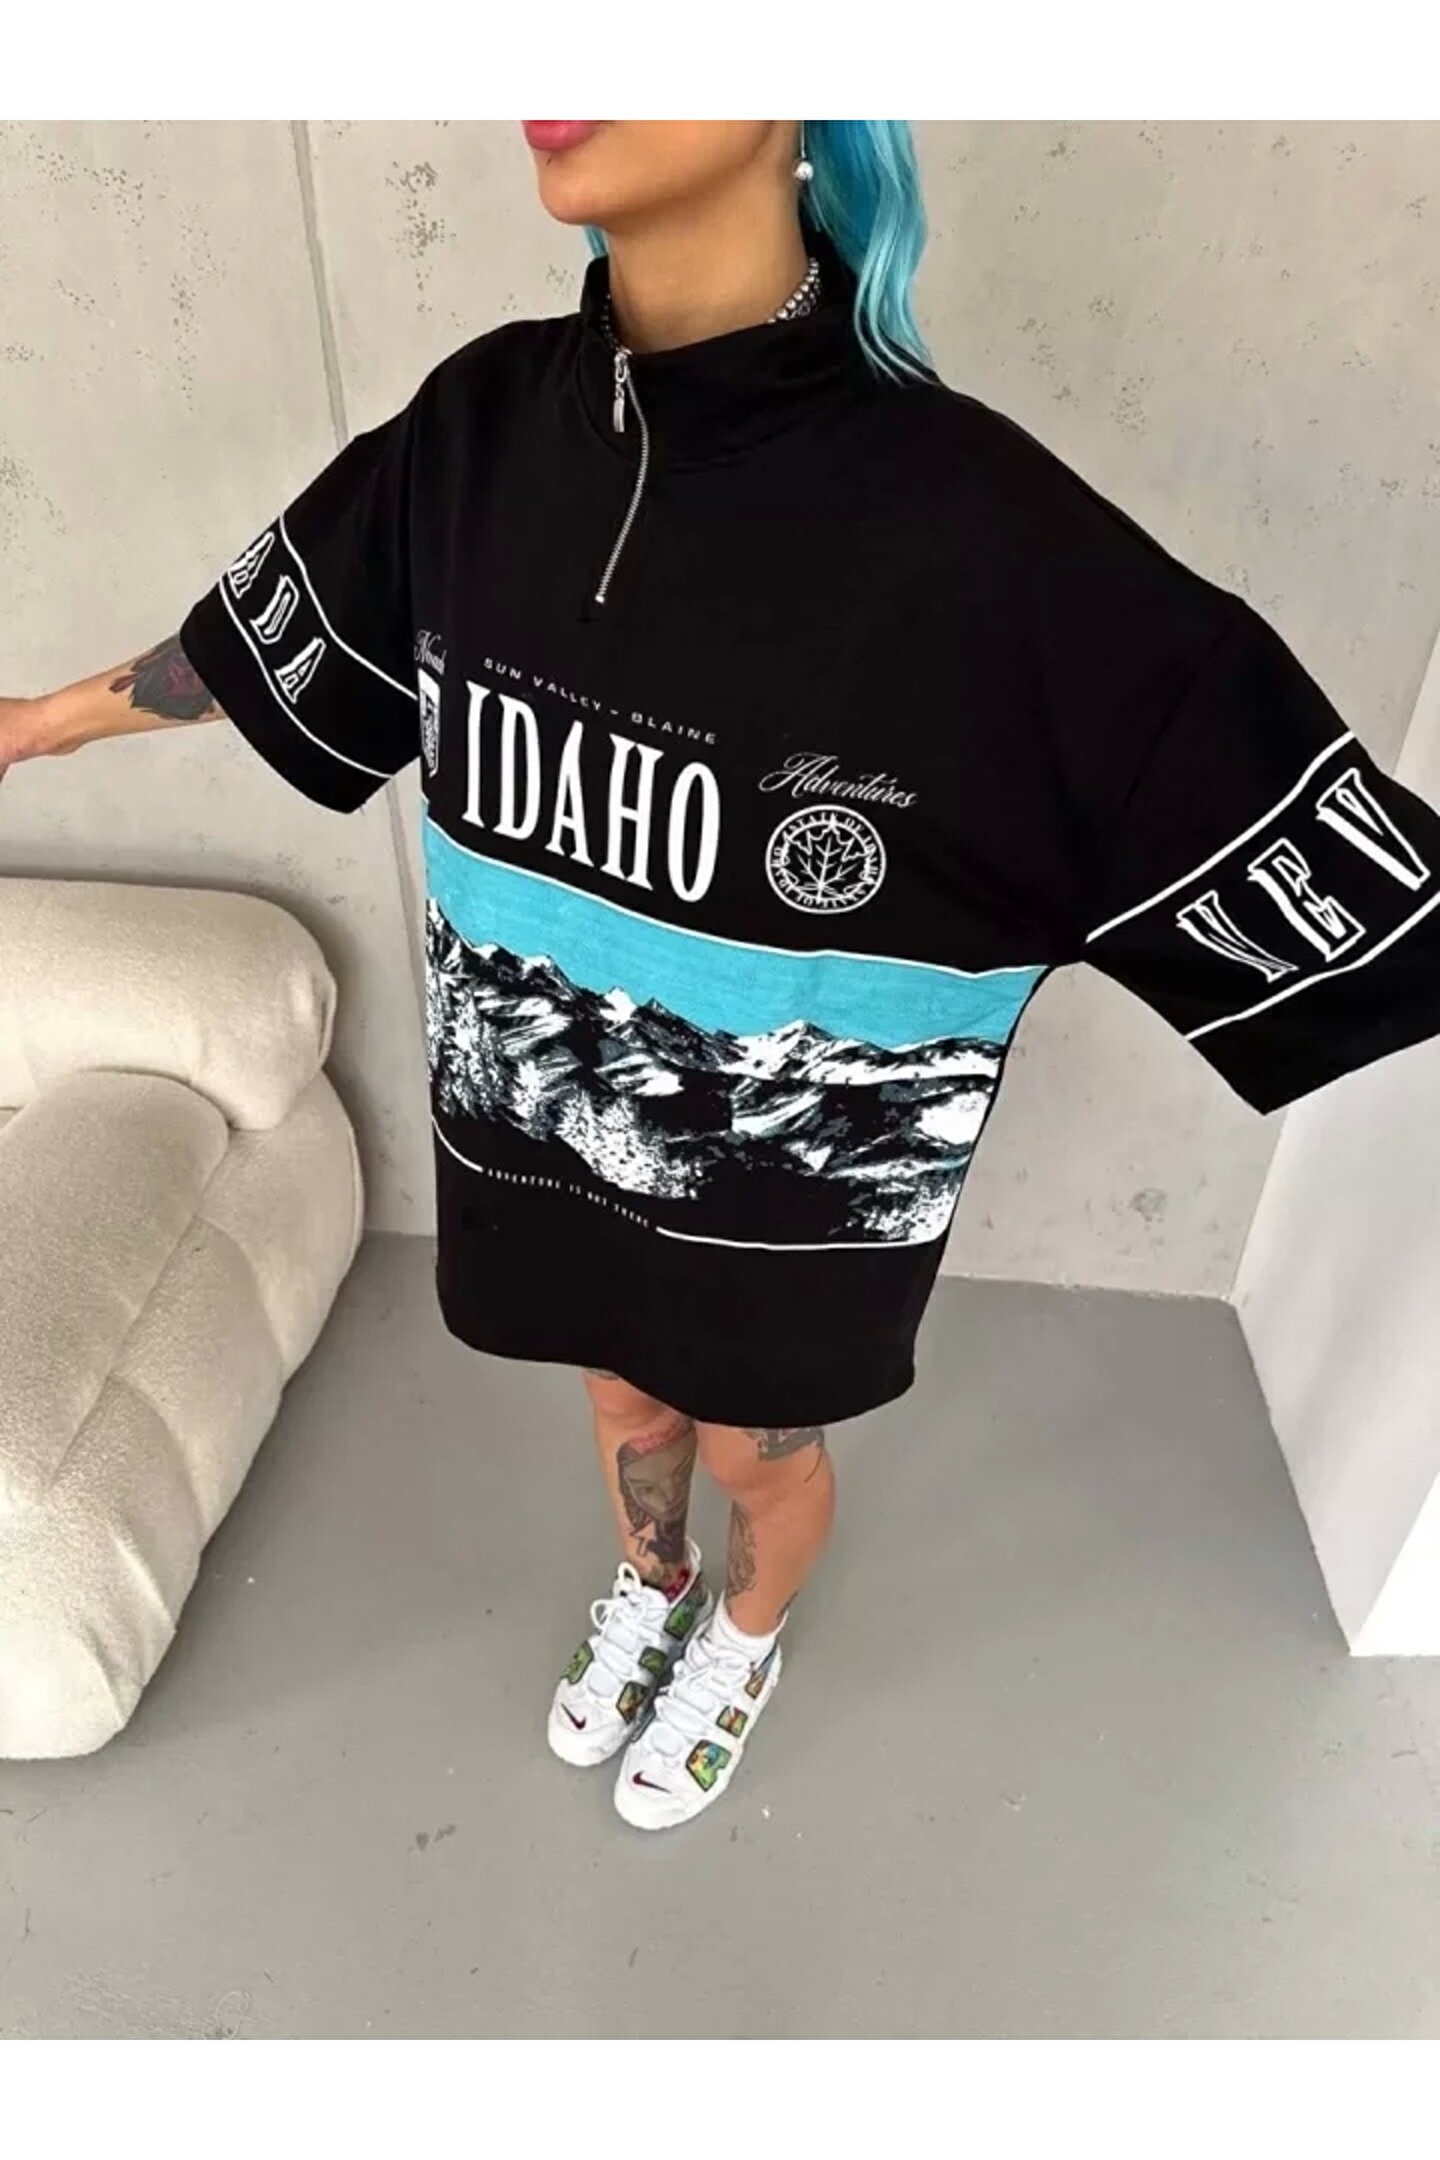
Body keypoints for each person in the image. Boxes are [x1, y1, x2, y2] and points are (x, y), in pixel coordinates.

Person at [5, 120, 1440, 1832]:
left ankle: (743, 1635)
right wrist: (37, 727)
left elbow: (1244, 786)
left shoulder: (980, 528)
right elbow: (263, 645)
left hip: (781, 1204)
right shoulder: (480, 429)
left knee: (762, 1445)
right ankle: (656, 1580)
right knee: (618, 1392)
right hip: (542, 1134)